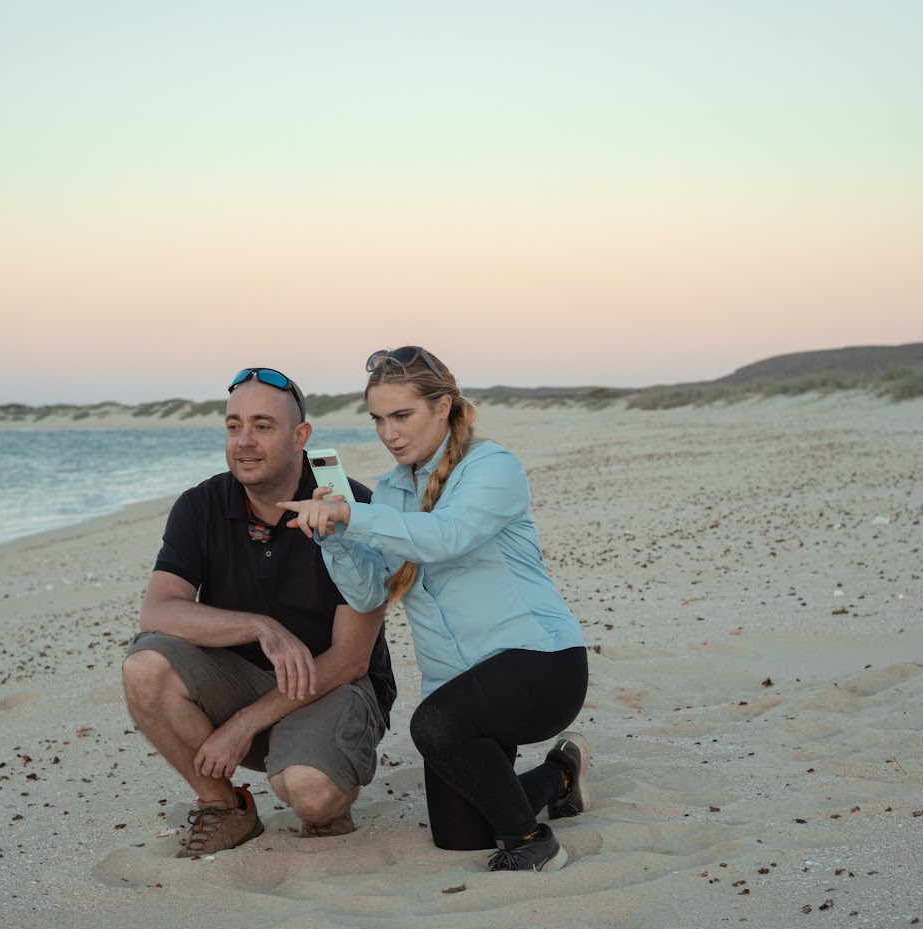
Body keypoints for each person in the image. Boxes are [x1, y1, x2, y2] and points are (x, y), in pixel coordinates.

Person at [280, 346, 589, 873]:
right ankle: (561, 774)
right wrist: (332, 537)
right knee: (459, 836)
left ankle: (533, 841)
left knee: (433, 724)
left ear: (442, 406)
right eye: (378, 419)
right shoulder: (392, 491)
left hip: (541, 664)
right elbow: (370, 594)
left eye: (403, 415)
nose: (389, 433)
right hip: (464, 692)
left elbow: (446, 536)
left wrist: (351, 514)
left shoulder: (492, 466)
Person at [122, 367, 395, 858]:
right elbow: (158, 611)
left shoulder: (352, 507)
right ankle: (226, 808)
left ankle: (326, 786)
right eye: (233, 426)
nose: (244, 441)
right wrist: (259, 627)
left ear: (300, 437)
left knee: (310, 796)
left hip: (334, 688)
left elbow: (352, 659)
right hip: (241, 677)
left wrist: (242, 725)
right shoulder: (200, 505)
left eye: (263, 426)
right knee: (146, 666)